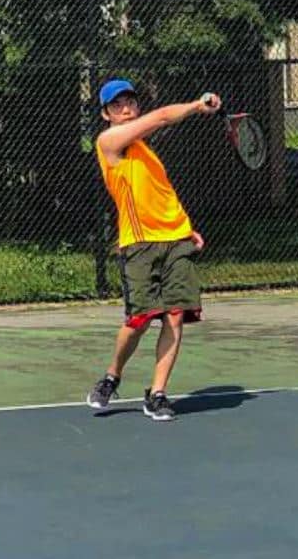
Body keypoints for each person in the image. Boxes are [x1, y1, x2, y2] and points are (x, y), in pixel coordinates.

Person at [86, 78, 221, 421]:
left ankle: (158, 394)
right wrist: (194, 106)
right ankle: (112, 376)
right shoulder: (108, 142)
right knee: (139, 320)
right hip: (139, 244)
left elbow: (161, 195)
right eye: (117, 105)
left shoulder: (149, 154)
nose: (126, 108)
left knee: (175, 316)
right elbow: (161, 117)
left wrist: (186, 228)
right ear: (106, 115)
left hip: (176, 239)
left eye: (130, 101)